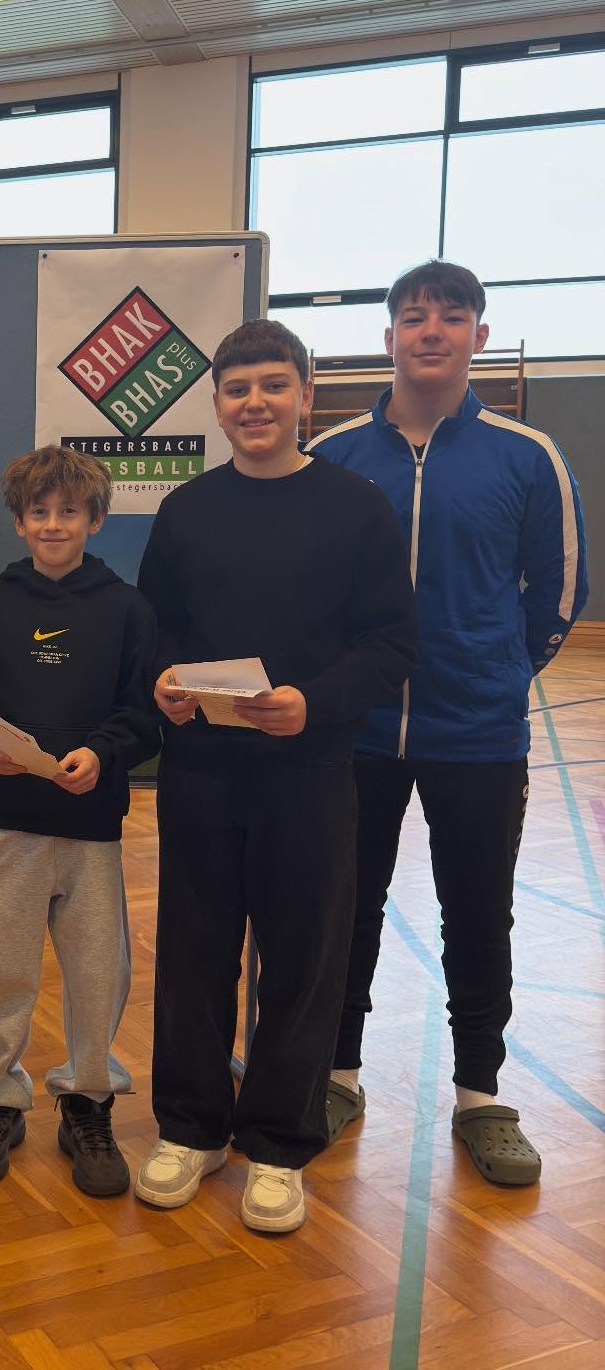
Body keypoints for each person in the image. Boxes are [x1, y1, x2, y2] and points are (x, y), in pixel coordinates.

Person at [308, 262, 588, 1186]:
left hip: (478, 735)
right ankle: (337, 1075)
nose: (432, 330)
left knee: (478, 912)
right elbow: (308, 588)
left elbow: (558, 593)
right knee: (345, 906)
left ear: (479, 335)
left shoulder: (527, 456)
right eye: (415, 316)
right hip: (356, 733)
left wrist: (498, 672)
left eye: (452, 316)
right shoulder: (335, 455)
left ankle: (480, 1097)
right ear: (388, 336)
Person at [136, 319, 416, 1233]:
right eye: (237, 388)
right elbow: (156, 625)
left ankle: (278, 1143)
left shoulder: (356, 507)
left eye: (272, 385)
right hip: (202, 772)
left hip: (309, 768)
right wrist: (164, 681)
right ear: (217, 405)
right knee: (193, 952)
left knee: (302, 958)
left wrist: (315, 703)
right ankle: (191, 1127)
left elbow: (391, 644)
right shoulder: (187, 510)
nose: (254, 402)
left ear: (305, 397)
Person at [0, 444, 158, 1196]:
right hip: (10, 825)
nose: (54, 524)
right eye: (40, 512)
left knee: (99, 973)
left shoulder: (126, 608)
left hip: (93, 828)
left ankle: (88, 1101)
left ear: (95, 520)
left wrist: (104, 752)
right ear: (19, 521)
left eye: (70, 511)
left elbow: (142, 713)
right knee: (2, 969)